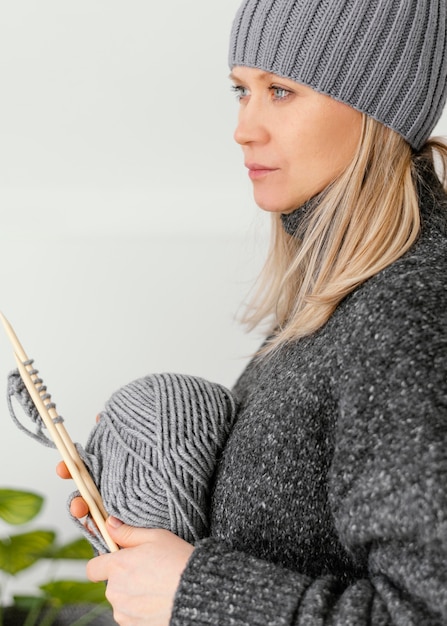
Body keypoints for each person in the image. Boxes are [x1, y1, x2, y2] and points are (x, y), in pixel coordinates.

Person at [57, 0, 447, 624]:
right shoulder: (337, 295)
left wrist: (196, 594)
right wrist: (157, 493)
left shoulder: (408, 316)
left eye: (282, 91)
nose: (244, 127)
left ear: (380, 108)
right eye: (241, 90)